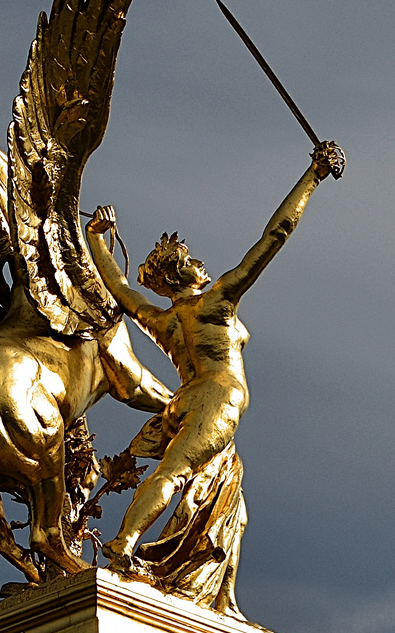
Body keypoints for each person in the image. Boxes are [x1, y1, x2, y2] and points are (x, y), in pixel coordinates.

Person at [86, 139, 344, 572]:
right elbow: (275, 235)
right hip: (215, 398)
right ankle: (123, 542)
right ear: (174, 274)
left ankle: (142, 543)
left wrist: (96, 240)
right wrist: (312, 176)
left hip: (183, 402)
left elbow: (120, 289)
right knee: (173, 473)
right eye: (187, 260)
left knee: (182, 475)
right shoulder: (216, 303)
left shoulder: (162, 320)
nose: (198, 261)